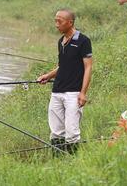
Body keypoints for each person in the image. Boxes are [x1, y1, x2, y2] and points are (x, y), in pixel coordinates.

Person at [37, 9, 93, 154]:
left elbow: (88, 67)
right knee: (56, 131)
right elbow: (62, 66)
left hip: (73, 93)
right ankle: (58, 160)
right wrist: (48, 76)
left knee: (72, 132)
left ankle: (72, 161)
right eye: (55, 20)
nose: (56, 24)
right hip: (57, 91)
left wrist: (83, 93)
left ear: (70, 22)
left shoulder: (83, 41)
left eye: (59, 21)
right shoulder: (60, 42)